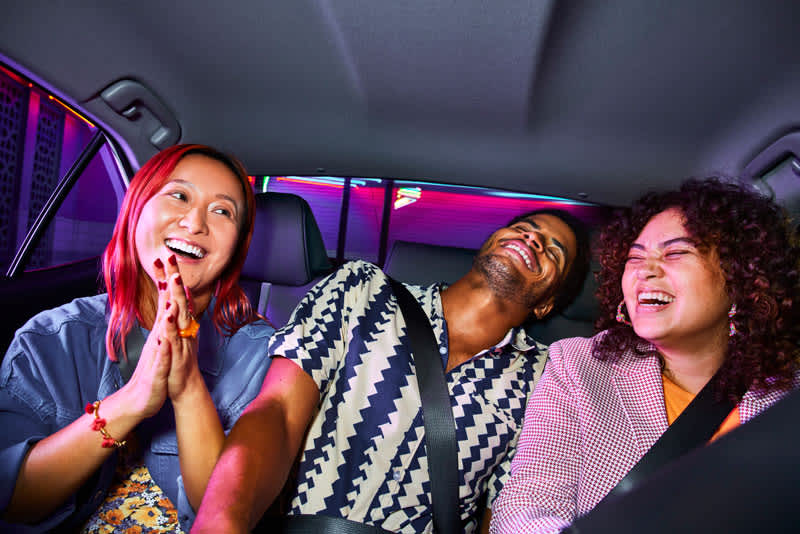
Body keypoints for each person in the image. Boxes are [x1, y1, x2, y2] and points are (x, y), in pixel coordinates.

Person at [190, 209, 591, 534]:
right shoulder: (361, 289)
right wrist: (225, 517)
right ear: (489, 242)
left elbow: (509, 507)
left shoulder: (547, 377)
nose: (533, 240)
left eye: (553, 252)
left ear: (547, 304)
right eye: (524, 228)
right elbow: (277, 409)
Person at [490, 178, 800, 534]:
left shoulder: (786, 398)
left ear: (742, 279)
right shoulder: (577, 364)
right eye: (634, 257)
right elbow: (525, 506)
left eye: (676, 253)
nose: (644, 271)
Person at [0, 144, 274, 533]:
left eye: (222, 211)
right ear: (136, 210)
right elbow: (14, 503)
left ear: (235, 248)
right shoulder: (51, 338)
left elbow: (224, 514)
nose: (195, 223)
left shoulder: (261, 356)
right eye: (179, 195)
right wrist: (132, 400)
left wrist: (189, 387)